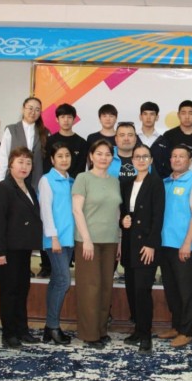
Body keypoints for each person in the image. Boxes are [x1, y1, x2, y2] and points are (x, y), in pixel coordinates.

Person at [72, 139, 122, 349]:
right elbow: (77, 210)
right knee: (89, 288)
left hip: (110, 241)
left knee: (105, 287)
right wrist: (87, 240)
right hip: (88, 242)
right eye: (99, 153)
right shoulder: (83, 178)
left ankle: (101, 330)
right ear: (91, 156)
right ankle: (89, 334)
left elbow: (117, 212)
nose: (103, 158)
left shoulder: (114, 181)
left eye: (108, 154)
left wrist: (119, 239)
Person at [0, 147, 43, 349]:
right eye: (20, 162)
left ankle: (22, 330)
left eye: (28, 163)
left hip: (23, 248)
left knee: (22, 290)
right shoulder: (3, 188)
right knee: (9, 291)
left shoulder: (28, 187)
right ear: (11, 164)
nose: (24, 166)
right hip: (8, 250)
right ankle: (9, 333)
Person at [0, 97, 50, 278]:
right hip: (12, 184)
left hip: (33, 185)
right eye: (30, 108)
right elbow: (3, 157)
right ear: (23, 108)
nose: (33, 112)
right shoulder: (11, 129)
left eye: (37, 109)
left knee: (29, 224)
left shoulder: (43, 132)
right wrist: (1, 183)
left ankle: (25, 264)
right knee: (14, 223)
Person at [120, 145, 165, 354]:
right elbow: (124, 212)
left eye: (145, 156)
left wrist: (151, 244)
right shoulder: (127, 183)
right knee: (131, 289)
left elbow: (158, 216)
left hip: (146, 245)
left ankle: (146, 336)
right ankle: (138, 330)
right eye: (137, 157)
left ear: (151, 160)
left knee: (142, 291)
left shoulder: (156, 183)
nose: (140, 160)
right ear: (132, 160)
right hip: (129, 244)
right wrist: (123, 221)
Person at [158, 145, 192, 348]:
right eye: (174, 156)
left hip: (184, 245)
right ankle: (176, 326)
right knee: (171, 289)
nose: (177, 159)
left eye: (181, 156)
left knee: (185, 290)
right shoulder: (165, 183)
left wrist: (187, 243)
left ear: (189, 161)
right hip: (165, 244)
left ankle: (186, 331)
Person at [39, 143, 76, 345]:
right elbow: (45, 210)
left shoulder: (71, 181)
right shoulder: (47, 180)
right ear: (52, 160)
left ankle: (48, 328)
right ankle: (53, 326)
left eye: (67, 155)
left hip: (68, 239)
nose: (64, 159)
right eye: (59, 156)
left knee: (56, 281)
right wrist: (53, 237)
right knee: (63, 281)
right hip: (55, 239)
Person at [43, 103, 88, 178]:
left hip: (75, 182)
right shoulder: (49, 141)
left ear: (74, 119)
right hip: (53, 181)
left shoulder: (82, 143)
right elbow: (47, 165)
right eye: (62, 117)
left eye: (69, 117)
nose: (66, 120)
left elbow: (81, 168)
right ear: (57, 119)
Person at [138, 101, 171, 178]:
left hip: (158, 182)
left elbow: (168, 166)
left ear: (157, 117)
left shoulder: (164, 141)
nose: (148, 117)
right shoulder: (133, 138)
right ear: (140, 117)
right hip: (135, 181)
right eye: (145, 114)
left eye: (152, 114)